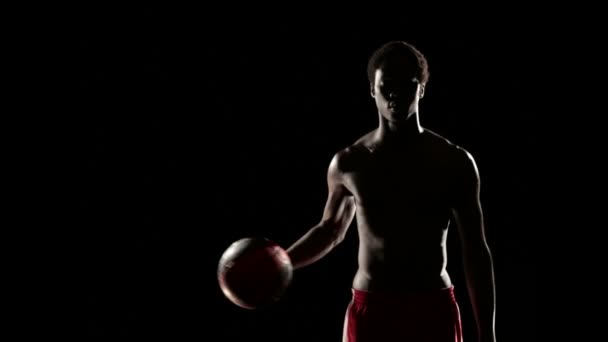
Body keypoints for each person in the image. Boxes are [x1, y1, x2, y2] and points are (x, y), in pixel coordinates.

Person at [286, 41, 496, 342]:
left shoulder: (454, 162)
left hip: (432, 308)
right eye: (386, 85)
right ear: (373, 89)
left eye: (407, 85)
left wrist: (487, 334)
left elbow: (475, 250)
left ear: (421, 88)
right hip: (372, 310)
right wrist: (282, 262)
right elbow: (331, 230)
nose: (395, 94)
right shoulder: (350, 162)